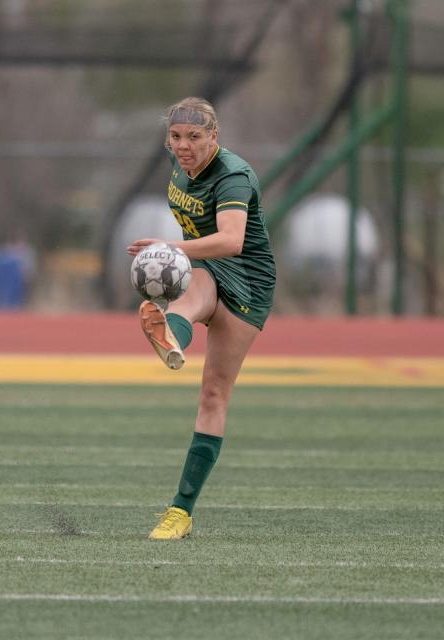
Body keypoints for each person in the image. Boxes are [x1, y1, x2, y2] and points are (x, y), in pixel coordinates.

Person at [127, 97, 276, 540]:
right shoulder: (179, 169)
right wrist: (177, 254)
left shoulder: (232, 175)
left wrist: (170, 249)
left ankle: (181, 509)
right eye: (176, 137)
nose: (184, 145)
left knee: (214, 393)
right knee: (192, 292)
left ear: (214, 137)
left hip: (249, 281)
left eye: (194, 137)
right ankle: (170, 333)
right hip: (206, 269)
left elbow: (231, 241)